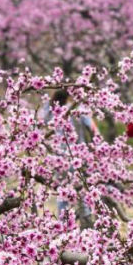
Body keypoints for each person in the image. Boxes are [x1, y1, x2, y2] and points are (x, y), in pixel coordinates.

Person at [42, 89, 100, 219]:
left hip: (59, 157)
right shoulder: (77, 110)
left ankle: (63, 222)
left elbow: (42, 122)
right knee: (82, 187)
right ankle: (86, 218)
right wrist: (98, 144)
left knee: (62, 190)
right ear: (69, 97)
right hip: (78, 155)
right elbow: (93, 128)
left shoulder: (51, 110)